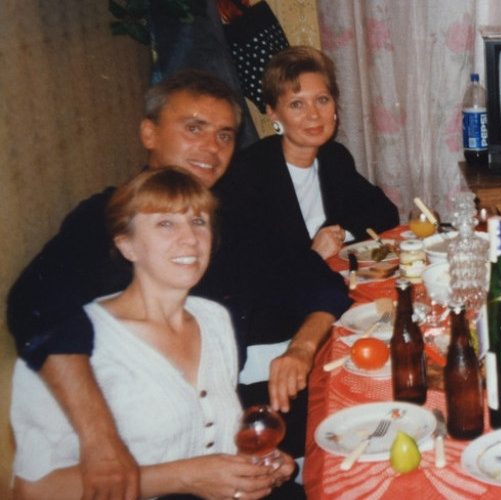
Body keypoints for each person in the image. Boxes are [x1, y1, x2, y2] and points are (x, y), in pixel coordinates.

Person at [7, 69, 349, 499]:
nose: (211, 147)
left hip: (221, 425)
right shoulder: (112, 220)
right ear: (149, 133)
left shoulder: (232, 220)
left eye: (224, 135)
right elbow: (37, 308)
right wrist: (101, 440)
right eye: (194, 128)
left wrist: (300, 349)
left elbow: (318, 281)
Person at [12, 168, 295, 499]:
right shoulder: (79, 345)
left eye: (199, 221)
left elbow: (216, 438)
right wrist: (185, 478)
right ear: (127, 245)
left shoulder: (213, 319)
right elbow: (34, 489)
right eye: (165, 224)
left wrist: (256, 465)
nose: (190, 238)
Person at [224, 45, 398, 264]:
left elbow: (384, 212)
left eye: (322, 100)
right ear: (273, 113)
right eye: (297, 104)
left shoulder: (334, 157)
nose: (314, 115)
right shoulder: (248, 172)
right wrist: (313, 255)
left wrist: (342, 234)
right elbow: (249, 263)